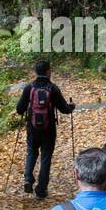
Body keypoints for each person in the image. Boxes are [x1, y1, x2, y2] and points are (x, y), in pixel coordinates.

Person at [15, 60, 75, 200]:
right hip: (49, 129)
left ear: (35, 72)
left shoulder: (29, 88)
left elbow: (19, 110)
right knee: (45, 157)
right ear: (48, 71)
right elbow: (64, 109)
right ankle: (41, 190)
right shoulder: (52, 88)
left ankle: (28, 179)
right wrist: (71, 106)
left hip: (32, 128)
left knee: (31, 152)